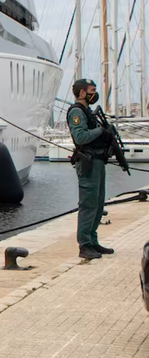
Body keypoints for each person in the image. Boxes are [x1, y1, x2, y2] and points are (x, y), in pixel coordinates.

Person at [67, 77, 114, 261]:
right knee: (88, 204)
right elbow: (80, 137)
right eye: (92, 90)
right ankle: (84, 245)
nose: (95, 94)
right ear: (81, 93)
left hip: (97, 161)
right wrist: (100, 131)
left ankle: (93, 240)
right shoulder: (77, 112)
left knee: (98, 203)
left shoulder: (88, 111)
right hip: (88, 162)